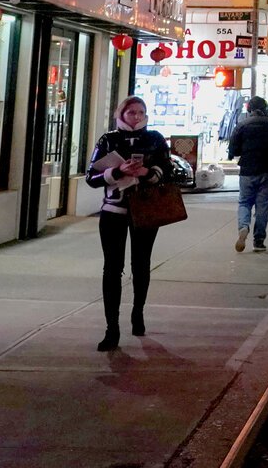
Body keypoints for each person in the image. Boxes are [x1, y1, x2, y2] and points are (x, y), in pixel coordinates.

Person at [84, 96, 174, 351]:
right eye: (131, 112)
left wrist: (147, 173)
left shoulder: (155, 139)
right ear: (121, 113)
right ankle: (112, 328)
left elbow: (169, 171)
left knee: (141, 263)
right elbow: (92, 177)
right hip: (114, 211)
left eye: (140, 112)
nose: (136, 116)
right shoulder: (108, 140)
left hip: (145, 210)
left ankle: (138, 312)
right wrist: (117, 171)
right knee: (112, 268)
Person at [229, 96, 268, 253]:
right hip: (267, 171)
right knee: (262, 207)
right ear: (266, 109)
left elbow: (233, 149)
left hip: (247, 170)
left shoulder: (242, 125)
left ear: (249, 109)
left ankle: (243, 227)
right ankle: (259, 240)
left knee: (244, 202)